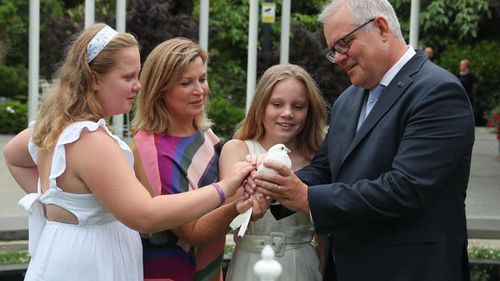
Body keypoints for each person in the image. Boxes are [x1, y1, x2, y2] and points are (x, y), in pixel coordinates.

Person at [2, 24, 254, 281]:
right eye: (128, 77)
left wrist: (57, 202)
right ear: (95, 78)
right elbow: (145, 215)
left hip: (65, 253)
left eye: (138, 76)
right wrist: (224, 187)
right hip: (91, 265)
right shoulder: (90, 139)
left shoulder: (57, 125)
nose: (138, 86)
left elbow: (14, 156)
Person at [253, 1, 475, 281]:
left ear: (381, 28)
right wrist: (270, 185)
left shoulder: (438, 92)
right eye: (333, 50)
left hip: (413, 270)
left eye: (344, 43)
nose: (339, 57)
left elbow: (406, 189)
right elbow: (325, 170)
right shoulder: (349, 98)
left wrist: (307, 198)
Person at [130, 38, 267, 281]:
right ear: (160, 90)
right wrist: (239, 207)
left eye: (202, 79)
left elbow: (221, 198)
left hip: (208, 268)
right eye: (186, 83)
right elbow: (193, 232)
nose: (200, 90)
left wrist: (250, 180)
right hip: (172, 271)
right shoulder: (153, 150)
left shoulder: (204, 135)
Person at [224, 64, 328, 281]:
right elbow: (227, 213)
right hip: (250, 264)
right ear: (261, 106)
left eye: (298, 106)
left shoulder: (319, 161)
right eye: (277, 104)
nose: (287, 113)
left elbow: (324, 232)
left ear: (309, 111)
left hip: (303, 266)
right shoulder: (239, 149)